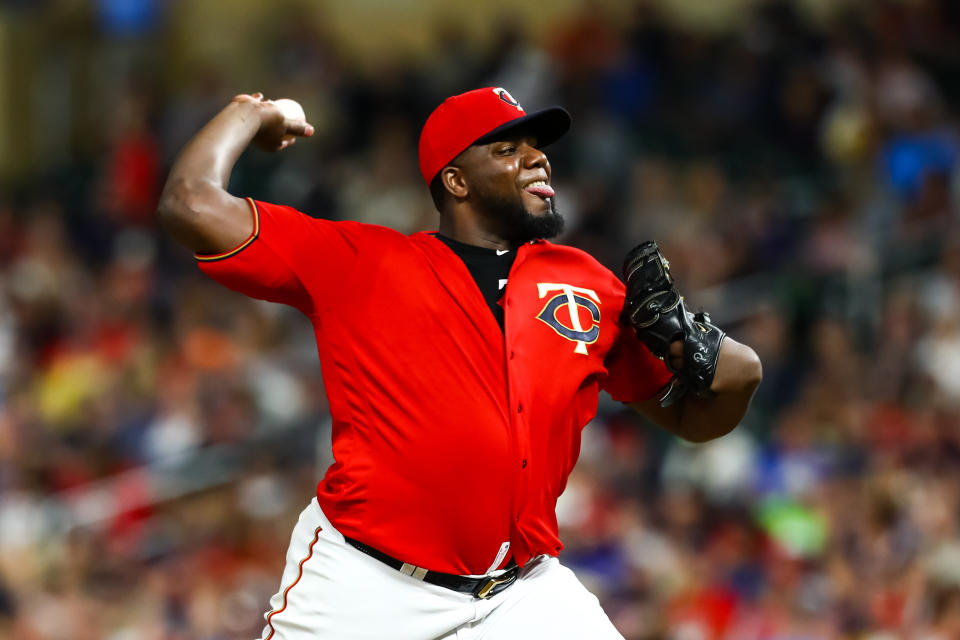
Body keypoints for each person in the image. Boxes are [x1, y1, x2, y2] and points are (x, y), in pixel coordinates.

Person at [157, 87, 762, 640]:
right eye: (508, 149)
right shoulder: (361, 262)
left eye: (537, 148)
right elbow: (189, 203)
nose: (537, 159)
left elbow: (697, 419)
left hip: (521, 594)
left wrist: (700, 346)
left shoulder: (586, 283)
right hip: (368, 584)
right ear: (456, 181)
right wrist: (251, 112)